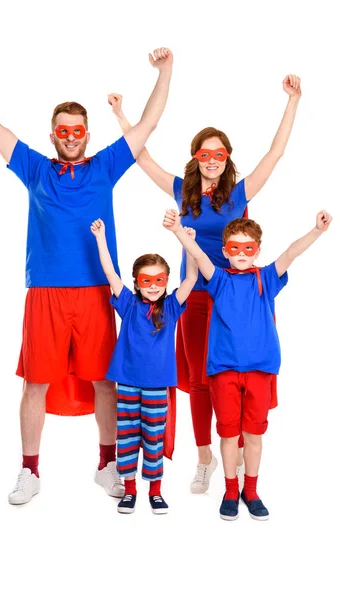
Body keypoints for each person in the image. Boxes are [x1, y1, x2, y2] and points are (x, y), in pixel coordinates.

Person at [0, 45, 174, 505]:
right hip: (46, 293)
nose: (71, 137)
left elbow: (147, 125)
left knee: (104, 381)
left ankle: (107, 464)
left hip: (99, 292)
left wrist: (165, 71)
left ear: (87, 133)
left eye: (78, 131)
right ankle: (29, 471)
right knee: (34, 382)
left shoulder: (105, 166)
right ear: (54, 134)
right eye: (64, 131)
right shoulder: (36, 167)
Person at [109, 76, 302, 493]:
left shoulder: (239, 192)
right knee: (199, 378)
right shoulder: (183, 192)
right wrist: (122, 114)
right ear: (195, 159)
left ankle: (242, 452)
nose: (211, 160)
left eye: (218, 154)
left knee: (243, 373)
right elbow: (141, 159)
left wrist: (293, 100)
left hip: (242, 297)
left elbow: (277, 152)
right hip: (196, 295)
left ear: (227, 158)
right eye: (203, 153)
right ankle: (204, 458)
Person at [163, 207, 332, 520]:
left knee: (253, 435)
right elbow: (199, 256)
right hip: (224, 371)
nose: (242, 254)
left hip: (259, 371)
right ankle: (230, 488)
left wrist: (317, 231)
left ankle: (250, 489)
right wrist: (178, 232)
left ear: (257, 250)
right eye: (235, 248)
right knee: (228, 434)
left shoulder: (267, 277)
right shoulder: (219, 280)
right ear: (226, 251)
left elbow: (291, 252)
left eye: (248, 248)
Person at [90, 218, 198, 513]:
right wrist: (101, 238)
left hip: (156, 385)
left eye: (159, 280)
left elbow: (190, 280)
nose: (152, 287)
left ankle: (155, 490)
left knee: (153, 437)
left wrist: (188, 245)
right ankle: (130, 489)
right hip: (126, 381)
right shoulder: (128, 304)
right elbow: (110, 272)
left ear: (166, 282)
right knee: (126, 436)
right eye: (146, 281)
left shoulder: (172, 306)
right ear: (137, 283)